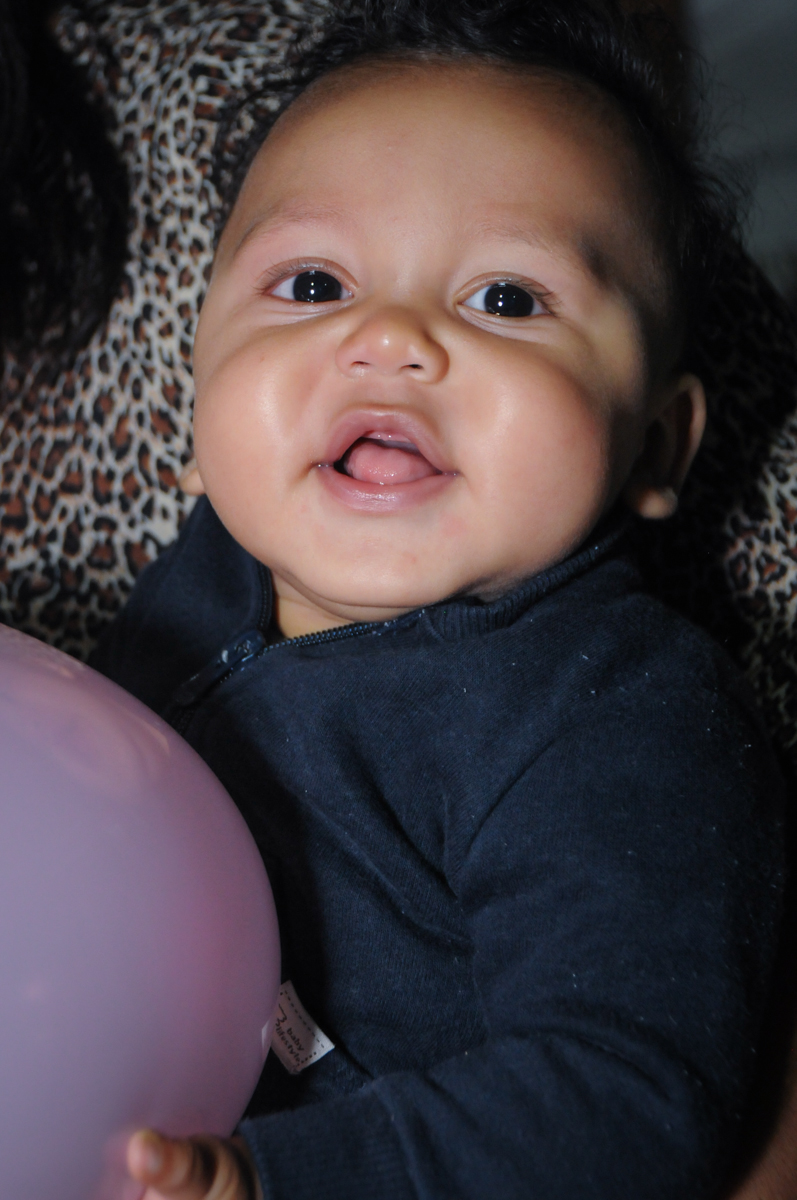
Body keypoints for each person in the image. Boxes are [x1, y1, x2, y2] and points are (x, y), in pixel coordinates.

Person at [89, 0, 787, 1196]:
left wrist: (280, 1179)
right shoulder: (206, 575)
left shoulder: (609, 718)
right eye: (312, 283)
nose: (389, 337)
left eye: (505, 300)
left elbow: (628, 1094)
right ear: (199, 405)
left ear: (657, 448)